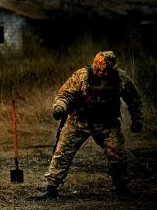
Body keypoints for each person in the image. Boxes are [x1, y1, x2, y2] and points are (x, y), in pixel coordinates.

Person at [38, 51, 143, 199]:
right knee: (62, 152)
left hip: (107, 124)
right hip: (80, 122)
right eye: (97, 69)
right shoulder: (82, 76)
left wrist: (137, 119)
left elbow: (134, 99)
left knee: (118, 155)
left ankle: (122, 188)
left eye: (104, 70)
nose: (100, 73)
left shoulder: (120, 79)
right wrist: (60, 108)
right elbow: (65, 94)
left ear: (111, 69)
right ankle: (51, 187)